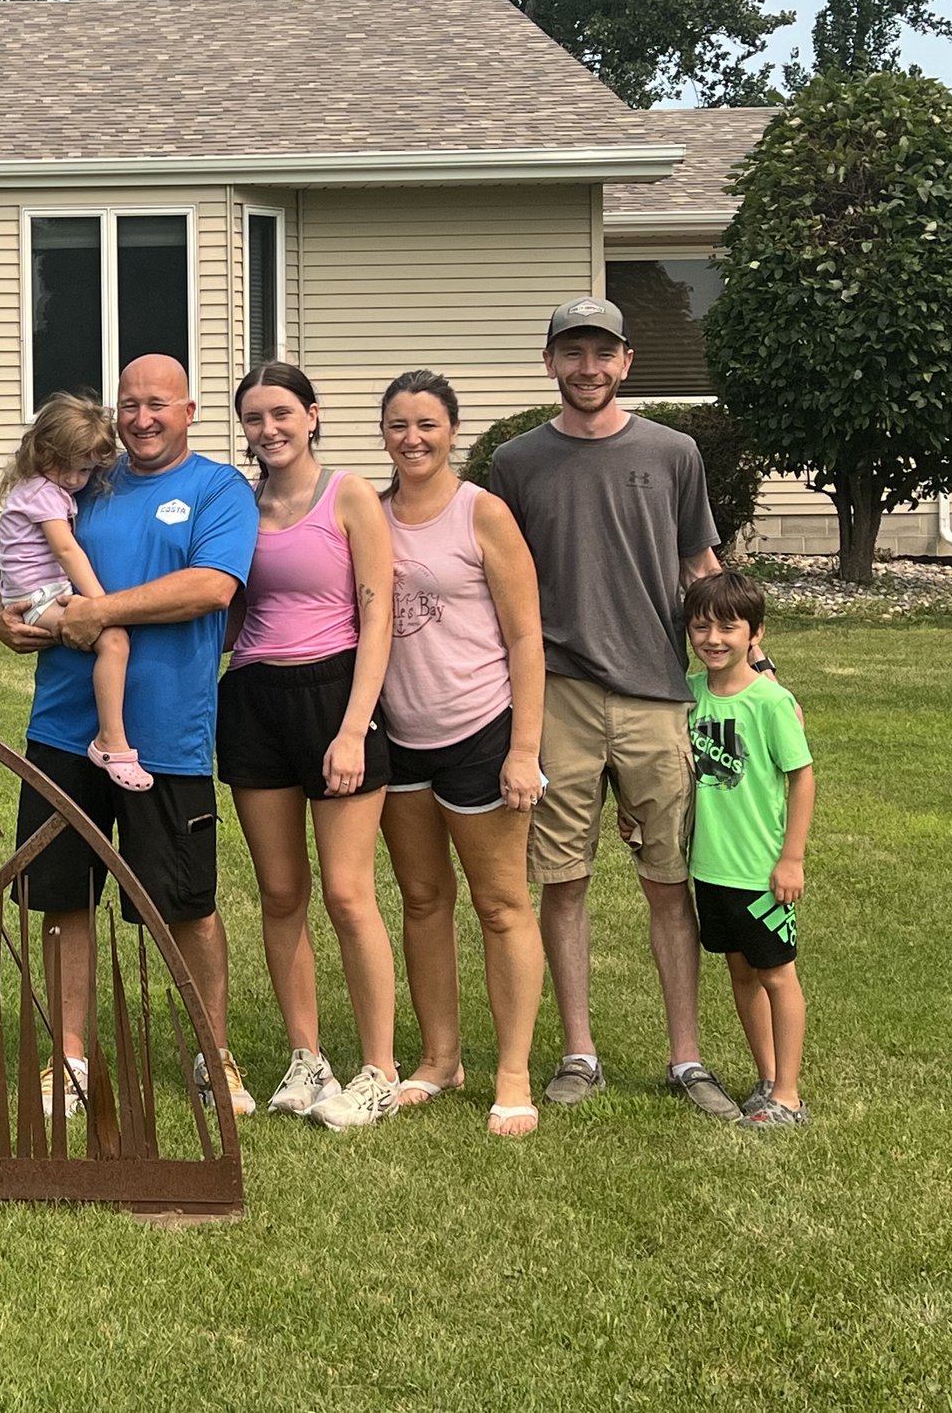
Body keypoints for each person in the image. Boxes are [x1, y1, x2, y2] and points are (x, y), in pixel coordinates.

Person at [486, 296, 738, 1119]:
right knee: (564, 880)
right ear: (549, 361)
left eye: (602, 352)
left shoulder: (673, 452)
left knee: (669, 881)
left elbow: (700, 563)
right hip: (556, 695)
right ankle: (579, 1051)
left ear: (626, 361)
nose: (587, 367)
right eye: (572, 352)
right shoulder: (517, 462)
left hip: (656, 695)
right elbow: (499, 582)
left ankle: (687, 1058)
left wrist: (755, 668)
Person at [0, 355, 262, 1119]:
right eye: (130, 405)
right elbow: (26, 563)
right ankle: (69, 1058)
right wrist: (4, 618)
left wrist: (102, 613)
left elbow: (212, 586)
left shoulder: (217, 489)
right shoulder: (90, 479)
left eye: (158, 404)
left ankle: (214, 1055)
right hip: (62, 728)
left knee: (186, 902)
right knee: (62, 898)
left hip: (166, 733)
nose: (142, 418)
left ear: (190, 409)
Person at [214, 362, 399, 1130]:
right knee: (281, 892)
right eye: (255, 417)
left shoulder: (349, 494)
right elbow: (227, 609)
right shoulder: (238, 504)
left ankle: (380, 1069)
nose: (269, 429)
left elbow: (377, 612)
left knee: (348, 893)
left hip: (335, 695)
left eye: (282, 412)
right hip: (254, 698)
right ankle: (306, 1057)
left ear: (313, 415)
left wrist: (354, 725)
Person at [374, 370, 550, 1140]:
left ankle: (512, 1070)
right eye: (398, 424)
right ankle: (441, 1056)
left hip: (481, 729)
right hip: (399, 736)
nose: (412, 437)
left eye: (427, 424)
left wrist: (525, 748)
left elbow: (526, 638)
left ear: (453, 430)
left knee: (501, 902)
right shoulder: (369, 516)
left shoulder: (484, 513)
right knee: (421, 898)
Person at [682, 569, 816, 1128]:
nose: (713, 639)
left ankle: (788, 1095)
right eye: (700, 627)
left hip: (760, 872)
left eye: (728, 628)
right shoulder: (687, 695)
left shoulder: (770, 702)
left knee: (777, 974)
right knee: (740, 973)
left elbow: (802, 776)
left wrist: (792, 858)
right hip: (708, 869)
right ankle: (765, 1077)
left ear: (754, 634)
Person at [0, 393, 151, 789]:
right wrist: (100, 604)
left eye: (86, 471)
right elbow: (66, 549)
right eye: (73, 469)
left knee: (112, 640)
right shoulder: (44, 493)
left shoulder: (41, 487)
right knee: (114, 640)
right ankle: (111, 741)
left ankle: (110, 737)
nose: (79, 480)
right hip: (38, 597)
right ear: (45, 451)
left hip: (35, 591)